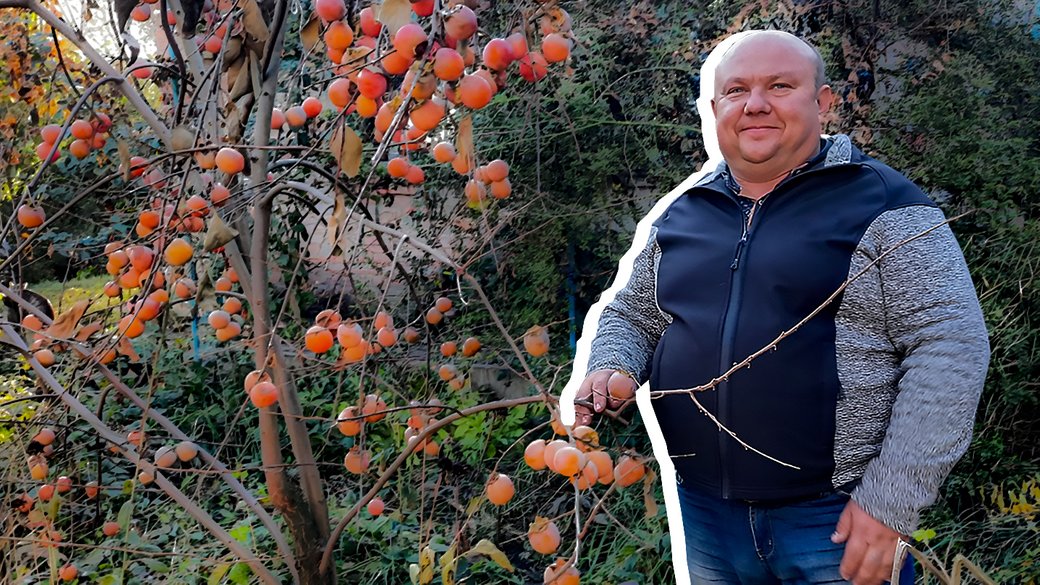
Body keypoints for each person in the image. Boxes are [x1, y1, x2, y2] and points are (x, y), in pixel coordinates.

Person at [563, 30, 990, 585]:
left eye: (780, 86)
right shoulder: (687, 211)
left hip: (835, 521)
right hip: (707, 516)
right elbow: (634, 314)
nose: (756, 104)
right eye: (736, 90)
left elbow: (950, 348)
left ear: (823, 101)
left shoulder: (884, 204)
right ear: (714, 109)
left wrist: (890, 501)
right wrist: (612, 365)